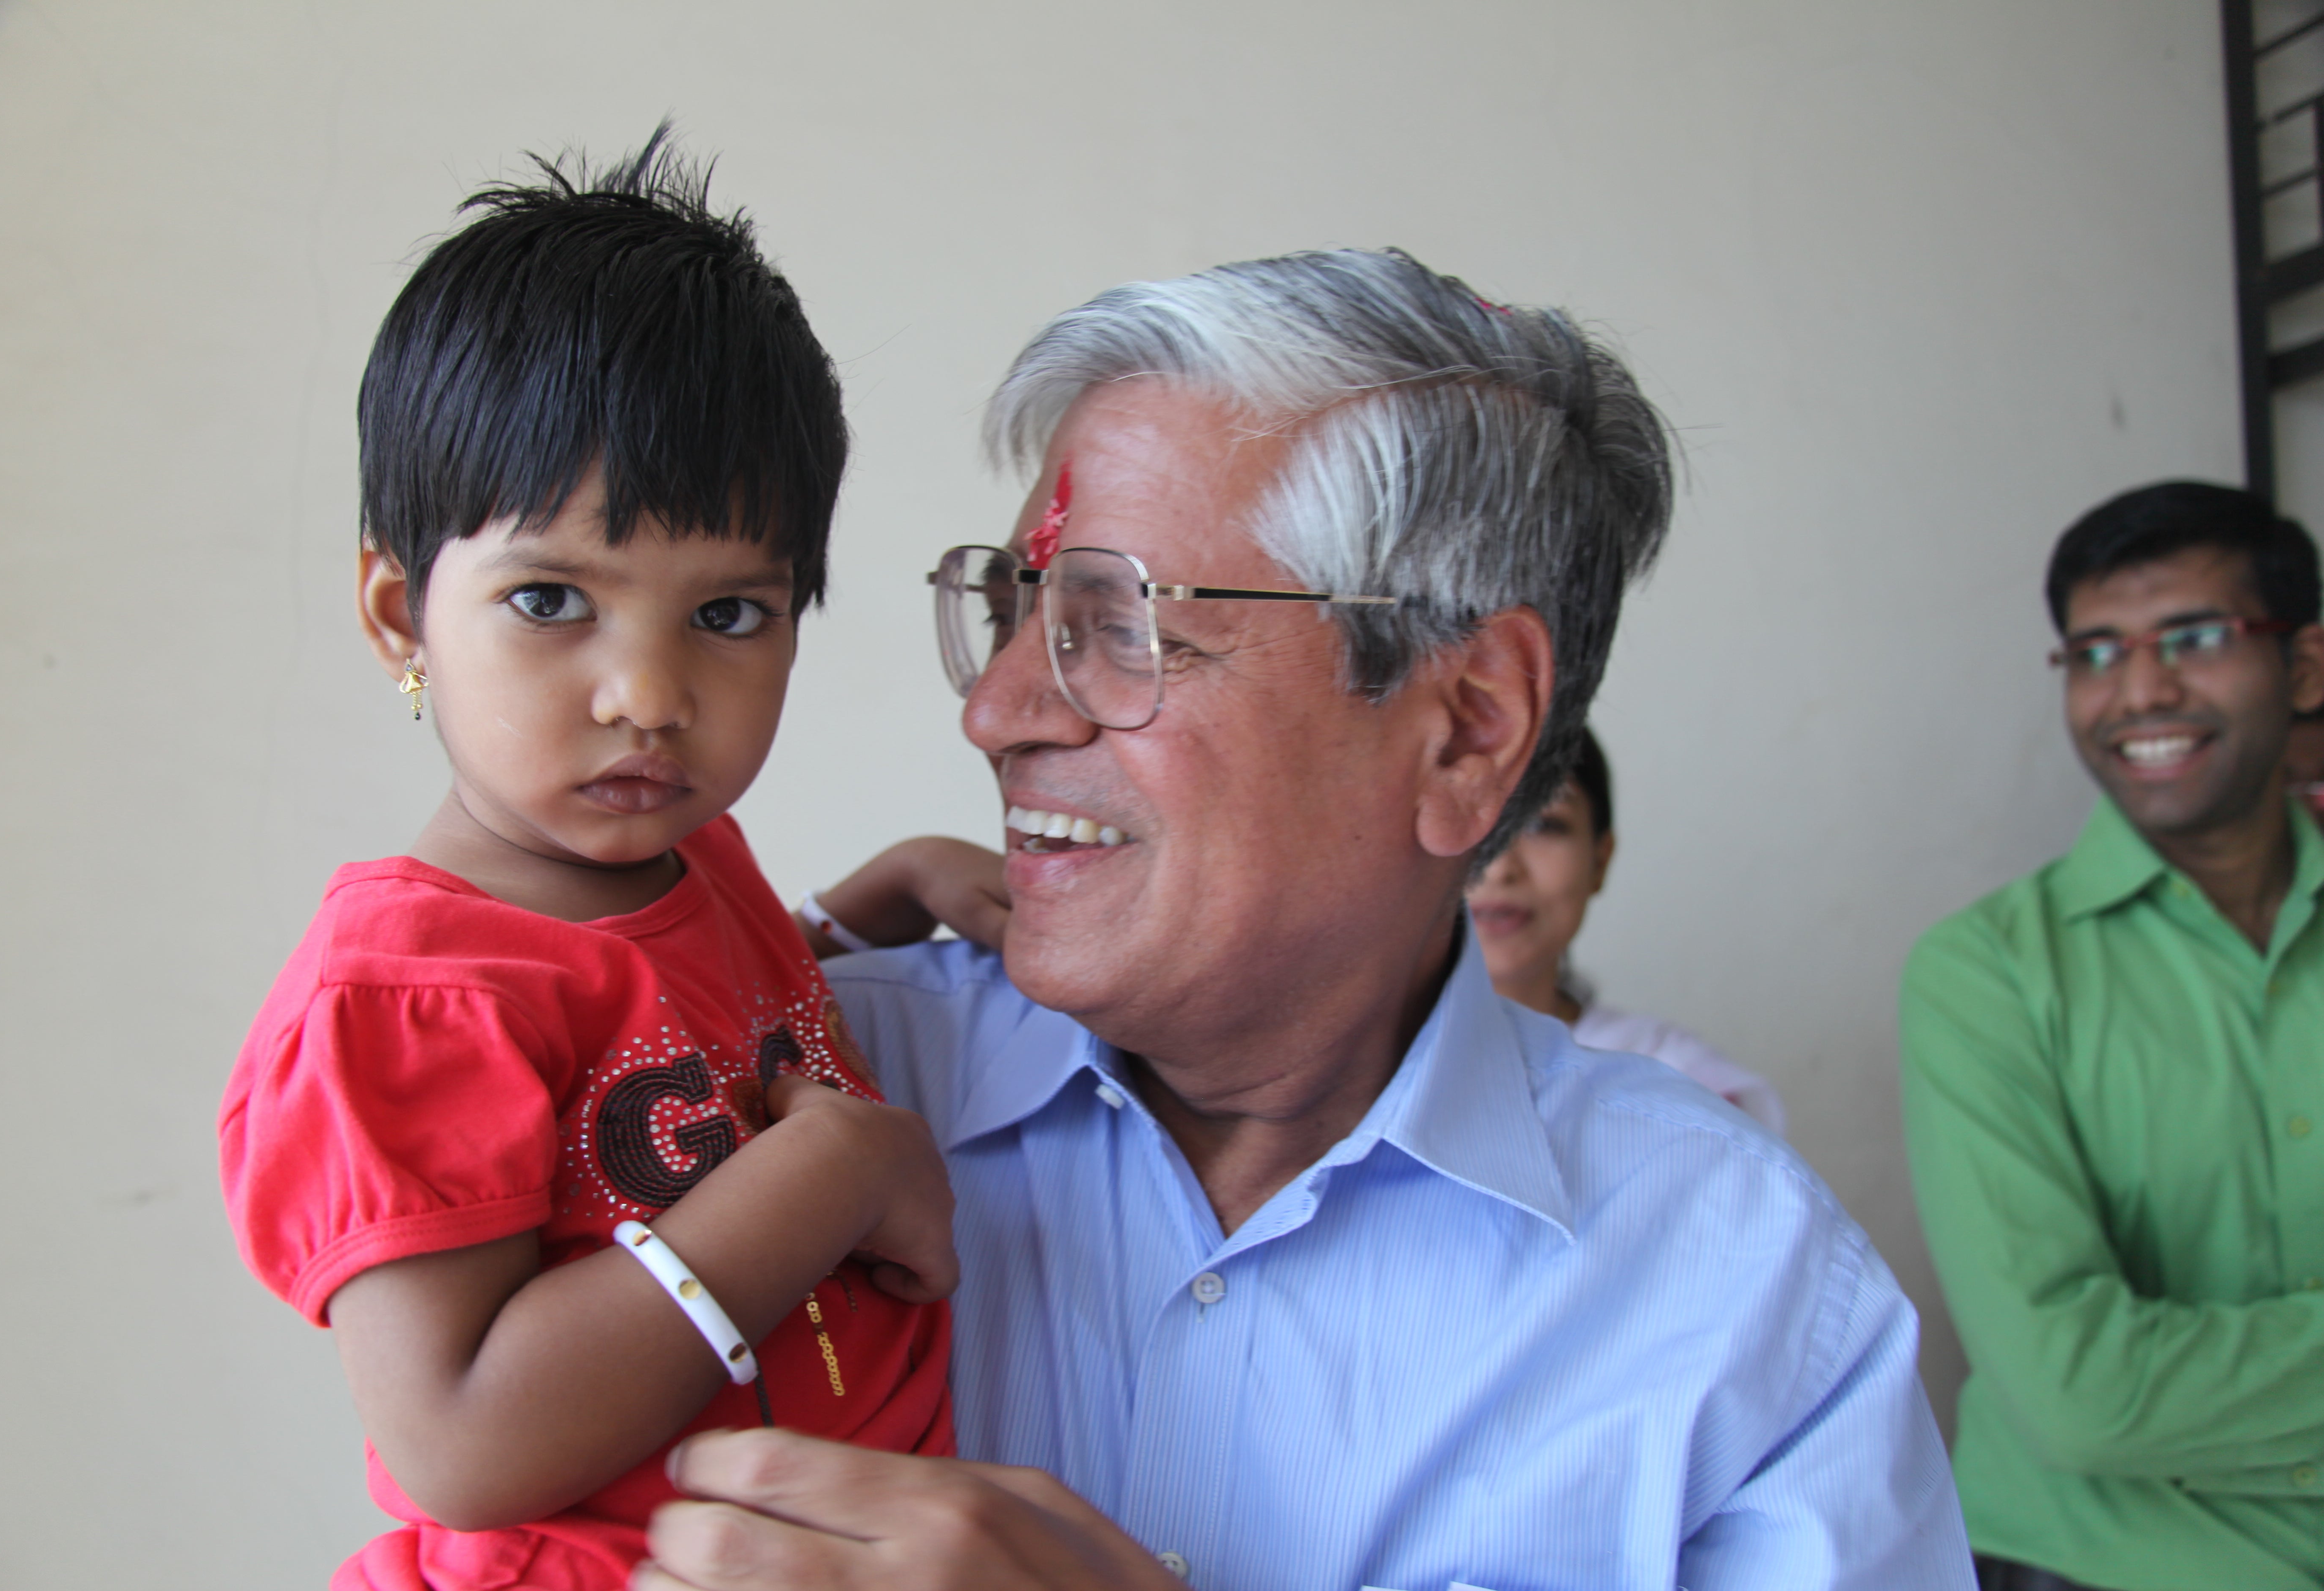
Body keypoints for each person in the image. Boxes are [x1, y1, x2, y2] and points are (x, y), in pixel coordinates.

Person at [636, 249, 1970, 1590]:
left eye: (1118, 624)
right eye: (1010, 611)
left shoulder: (1740, 1293)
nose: (996, 711)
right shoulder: (769, 1102)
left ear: (1466, 731)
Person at [218, 133, 956, 1591]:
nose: (648, 692)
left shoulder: (693, 854)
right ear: (396, 615)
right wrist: (837, 1170)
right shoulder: (407, 997)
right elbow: (463, 1442)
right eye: (552, 597)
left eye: (731, 614)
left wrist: (882, 894)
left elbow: (679, 1034)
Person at [1901, 481, 2324, 1591]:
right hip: (2097, 1568)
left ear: (2307, 667)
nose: (2139, 691)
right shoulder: (1984, 974)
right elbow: (2076, 1395)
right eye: (2095, 653)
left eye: (2195, 637)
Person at [1467, 728, 1787, 1132]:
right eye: (1472, 820)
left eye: (1543, 825)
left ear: (1599, 861)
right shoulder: (1366, 1078)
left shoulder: (1689, 1091)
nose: (1500, 868)